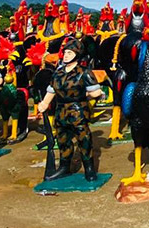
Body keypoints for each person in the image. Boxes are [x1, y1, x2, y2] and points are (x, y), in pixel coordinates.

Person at [37, 37, 104, 181]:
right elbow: (51, 90)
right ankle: (64, 167)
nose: (66, 55)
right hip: (61, 110)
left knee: (83, 139)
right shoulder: (58, 73)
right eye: (65, 52)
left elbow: (96, 92)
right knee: (62, 139)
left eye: (70, 52)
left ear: (77, 54)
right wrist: (44, 103)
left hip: (78, 110)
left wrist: (86, 94)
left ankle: (89, 168)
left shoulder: (84, 72)